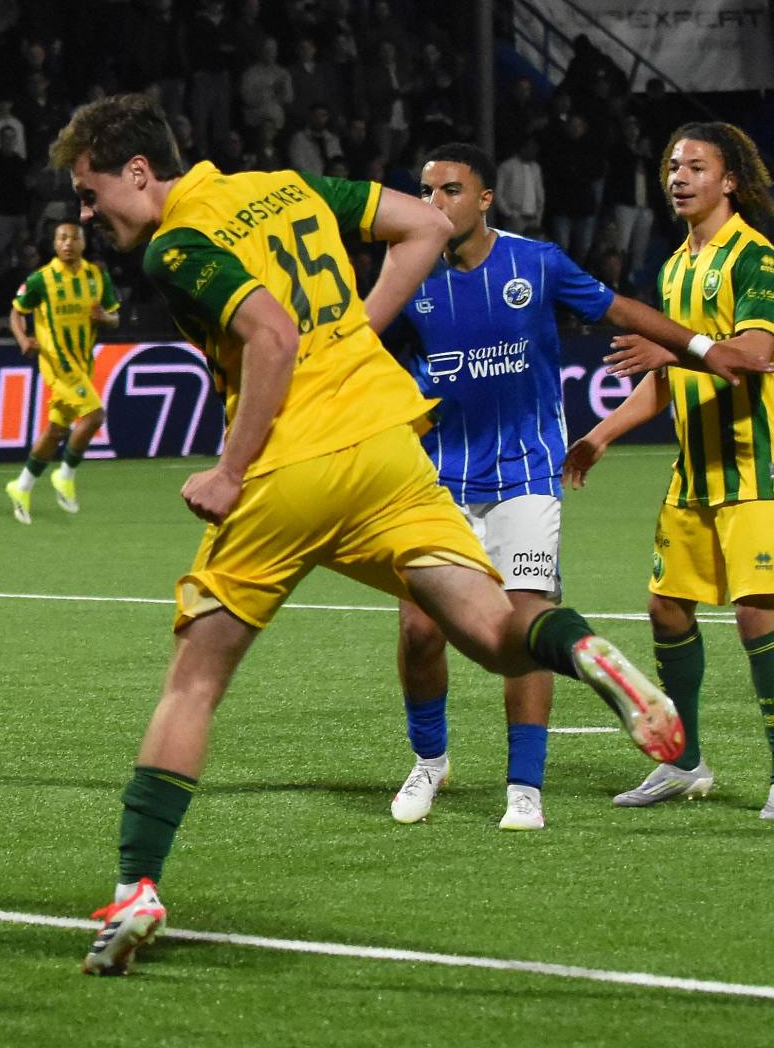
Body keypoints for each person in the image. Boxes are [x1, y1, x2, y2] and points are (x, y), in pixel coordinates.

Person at [48, 94, 681, 976]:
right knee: (499, 633)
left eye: (90, 190)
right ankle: (583, 653)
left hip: (290, 468)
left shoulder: (176, 244)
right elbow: (423, 225)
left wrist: (230, 470)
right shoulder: (286, 187)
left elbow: (269, 335)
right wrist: (357, 328)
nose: (86, 212)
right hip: (387, 445)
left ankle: (135, 888)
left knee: (192, 683)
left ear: (140, 172)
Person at [386, 143, 755, 832]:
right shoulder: (406, 276)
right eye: (426, 192)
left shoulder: (537, 262)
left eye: (451, 190)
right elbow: (363, 345)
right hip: (437, 480)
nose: (435, 204)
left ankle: (524, 787)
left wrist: (703, 350)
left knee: (525, 625)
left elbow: (620, 310)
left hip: (526, 474)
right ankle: (429, 762)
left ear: (486, 198)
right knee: (417, 629)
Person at [564, 122, 774, 822]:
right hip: (695, 474)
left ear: (731, 180)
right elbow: (665, 377)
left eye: (696, 167)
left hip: (755, 468)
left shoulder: (756, 257)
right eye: (673, 166)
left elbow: (748, 355)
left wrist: (674, 353)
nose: (679, 177)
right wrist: (598, 435)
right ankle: (684, 765)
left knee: (756, 616)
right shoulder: (676, 265)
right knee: (666, 608)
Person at [4, 219, 120, 523]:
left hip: (83, 362)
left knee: (57, 429)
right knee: (95, 416)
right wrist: (22, 339)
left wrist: (104, 318)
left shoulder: (96, 276)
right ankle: (65, 474)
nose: (68, 243)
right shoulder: (41, 279)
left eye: (73, 238)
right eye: (62, 238)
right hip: (57, 363)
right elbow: (16, 312)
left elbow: (115, 317)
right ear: (55, 245)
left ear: (83, 243)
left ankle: (21, 486)